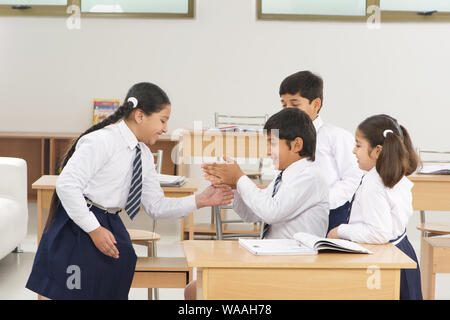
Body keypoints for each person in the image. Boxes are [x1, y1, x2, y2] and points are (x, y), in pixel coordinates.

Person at [25, 82, 233, 300]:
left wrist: (200, 200)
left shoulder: (142, 154)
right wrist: (94, 230)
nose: (165, 128)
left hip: (110, 220)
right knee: (79, 289)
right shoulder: (103, 141)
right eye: (162, 120)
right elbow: (67, 185)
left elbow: (156, 206)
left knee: (117, 271)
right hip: (80, 222)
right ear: (140, 116)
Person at [327, 114, 422, 300]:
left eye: (358, 145)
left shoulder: (374, 184)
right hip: (401, 252)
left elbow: (379, 233)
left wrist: (340, 230)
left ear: (377, 151)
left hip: (386, 260)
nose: (353, 151)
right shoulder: (390, 174)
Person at [279, 71, 363, 233]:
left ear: (316, 104)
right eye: (284, 105)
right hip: (293, 215)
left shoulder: (336, 137)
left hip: (330, 214)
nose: (288, 110)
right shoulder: (283, 140)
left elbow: (353, 178)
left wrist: (322, 202)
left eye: (295, 104)